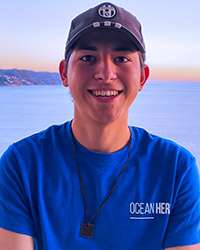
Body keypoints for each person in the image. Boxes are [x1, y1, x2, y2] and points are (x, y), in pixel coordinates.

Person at [0, 2, 199, 250]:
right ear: (64, 73)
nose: (105, 73)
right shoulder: (22, 164)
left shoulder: (175, 168)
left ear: (143, 77)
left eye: (121, 58)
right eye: (88, 58)